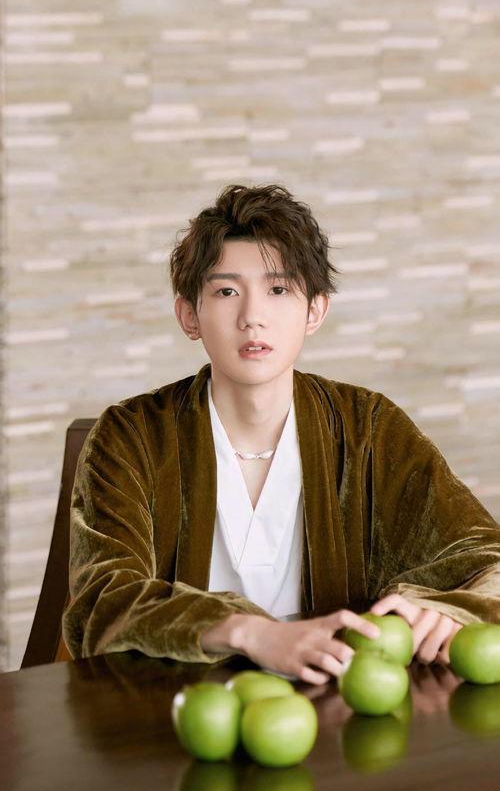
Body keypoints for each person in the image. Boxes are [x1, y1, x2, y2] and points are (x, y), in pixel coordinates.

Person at [62, 183, 500, 685]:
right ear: (189, 315)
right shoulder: (131, 436)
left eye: (278, 290)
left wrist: (449, 608)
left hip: (340, 699)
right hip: (175, 707)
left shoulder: (368, 427)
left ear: (315, 310)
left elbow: (484, 555)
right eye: (226, 291)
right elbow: (103, 599)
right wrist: (250, 632)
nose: (253, 317)